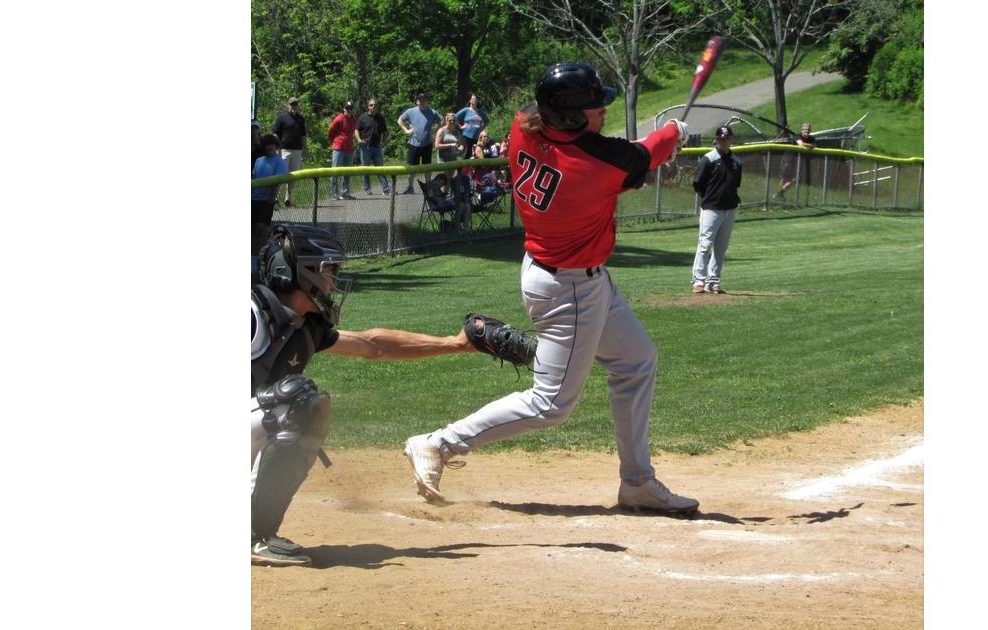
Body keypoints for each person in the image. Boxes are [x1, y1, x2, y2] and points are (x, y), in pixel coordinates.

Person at [403, 62, 699, 514]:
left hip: (569, 275)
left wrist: (663, 141)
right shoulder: (595, 164)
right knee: (551, 403)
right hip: (570, 289)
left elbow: (634, 151)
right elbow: (647, 153)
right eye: (595, 107)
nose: (603, 112)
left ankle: (637, 482)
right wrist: (675, 131)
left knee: (636, 360)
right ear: (570, 117)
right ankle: (438, 444)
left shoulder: (524, 126)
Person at [251, 224, 502, 566]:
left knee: (304, 405)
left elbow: (374, 345)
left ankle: (257, 531)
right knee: (297, 401)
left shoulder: (304, 326)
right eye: (329, 271)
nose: (333, 282)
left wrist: (456, 343)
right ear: (300, 271)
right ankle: (252, 536)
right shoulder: (252, 315)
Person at [690, 126, 743, 294]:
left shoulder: (736, 161)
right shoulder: (708, 159)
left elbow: (736, 184)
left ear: (731, 140)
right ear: (716, 140)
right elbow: (698, 183)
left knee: (721, 247)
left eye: (727, 139)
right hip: (711, 208)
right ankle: (699, 280)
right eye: (721, 139)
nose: (724, 141)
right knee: (705, 245)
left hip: (729, 208)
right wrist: (709, 198)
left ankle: (714, 280)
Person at [252, 134, 287, 267]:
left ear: (276, 146)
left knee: (262, 228)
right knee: (253, 229)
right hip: (253, 199)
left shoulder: (279, 162)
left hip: (266, 201)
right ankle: (254, 257)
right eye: (266, 144)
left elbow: (276, 183)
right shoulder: (259, 160)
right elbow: (254, 178)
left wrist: (270, 201)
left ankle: (265, 256)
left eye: (272, 144)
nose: (269, 147)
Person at [396, 91, 441, 194]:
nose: (421, 102)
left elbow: (441, 121)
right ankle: (410, 187)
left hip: (427, 143)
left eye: (423, 100)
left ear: (426, 101)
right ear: (416, 101)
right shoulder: (411, 111)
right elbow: (400, 120)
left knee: (427, 167)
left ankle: (429, 187)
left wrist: (435, 132)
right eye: (419, 100)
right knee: (412, 167)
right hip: (414, 143)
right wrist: (406, 130)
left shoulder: (432, 112)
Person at [272, 96, 307, 207]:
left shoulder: (301, 119)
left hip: (297, 150)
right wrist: (277, 147)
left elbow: (303, 135)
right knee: (281, 174)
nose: (294, 107)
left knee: (293, 175)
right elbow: (275, 133)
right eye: (292, 104)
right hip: (284, 149)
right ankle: (275, 198)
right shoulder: (282, 117)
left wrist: (305, 148)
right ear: (288, 105)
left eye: (296, 104)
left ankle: (288, 199)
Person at [355, 98, 391, 195]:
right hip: (365, 147)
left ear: (377, 106)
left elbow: (385, 132)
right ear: (368, 107)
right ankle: (367, 189)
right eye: (371, 105)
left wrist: (383, 142)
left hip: (376, 147)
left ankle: (385, 189)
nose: (373, 107)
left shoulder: (380, 118)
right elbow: (356, 130)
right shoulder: (363, 117)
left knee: (380, 168)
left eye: (375, 105)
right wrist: (359, 140)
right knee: (365, 169)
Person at [774, 122, 815, 200]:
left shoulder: (812, 138)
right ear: (802, 130)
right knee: (785, 177)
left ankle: (779, 194)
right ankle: (779, 195)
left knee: (796, 179)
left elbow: (814, 145)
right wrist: (810, 145)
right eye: (805, 129)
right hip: (788, 159)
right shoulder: (797, 136)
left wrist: (811, 145)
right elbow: (801, 144)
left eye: (808, 129)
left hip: (798, 160)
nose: (807, 131)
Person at [327, 101, 358, 200]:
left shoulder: (353, 120)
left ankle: (345, 193)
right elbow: (330, 130)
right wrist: (332, 141)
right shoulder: (339, 118)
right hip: (338, 148)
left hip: (349, 148)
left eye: (350, 108)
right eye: (347, 108)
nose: (349, 110)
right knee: (335, 171)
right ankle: (333, 193)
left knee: (347, 172)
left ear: (353, 110)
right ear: (344, 109)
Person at [455, 93, 488, 159]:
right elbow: (454, 117)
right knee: (466, 154)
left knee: (476, 155)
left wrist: (483, 128)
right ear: (470, 101)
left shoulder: (481, 112)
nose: (475, 100)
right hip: (467, 136)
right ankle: (462, 168)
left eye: (476, 99)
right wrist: (460, 126)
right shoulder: (466, 110)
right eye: (473, 99)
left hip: (477, 138)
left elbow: (486, 121)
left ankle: (474, 169)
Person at [434, 112, 461, 178]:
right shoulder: (441, 131)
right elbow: (437, 146)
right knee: (444, 180)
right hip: (443, 160)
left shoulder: (457, 132)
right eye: (450, 120)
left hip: (453, 159)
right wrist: (450, 145)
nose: (452, 122)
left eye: (454, 120)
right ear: (446, 121)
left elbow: (459, 144)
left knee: (449, 180)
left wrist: (460, 147)